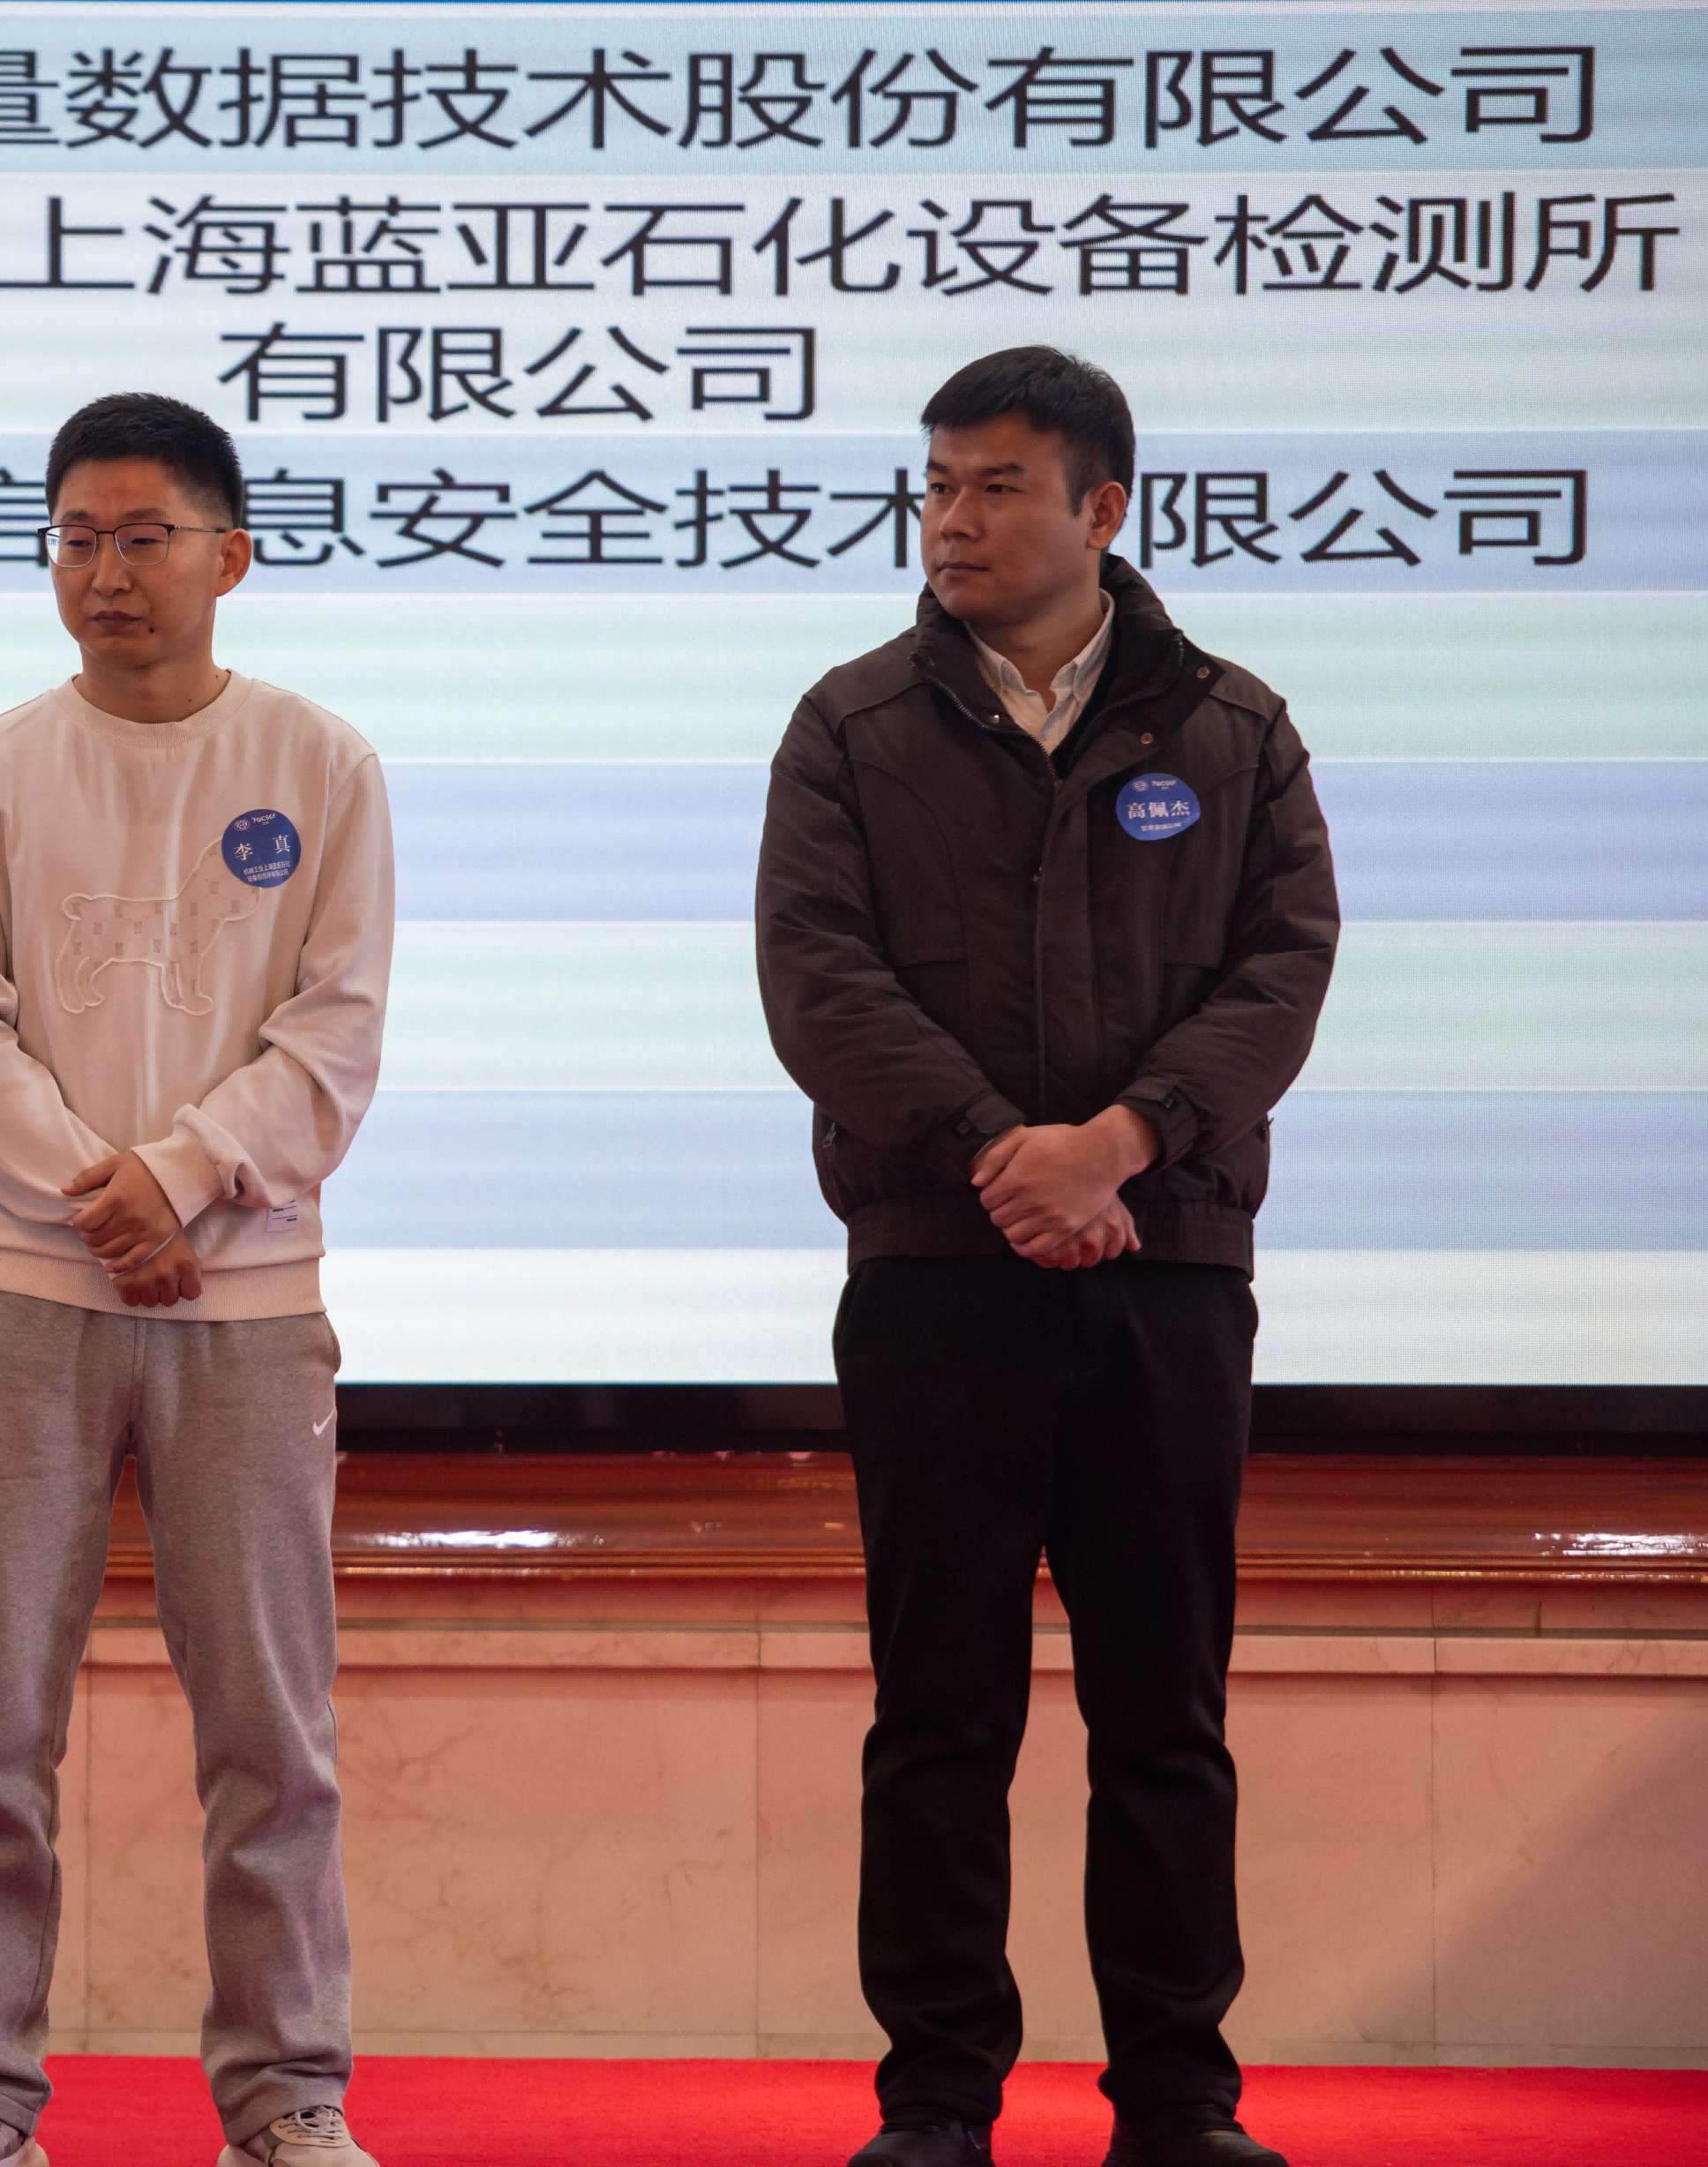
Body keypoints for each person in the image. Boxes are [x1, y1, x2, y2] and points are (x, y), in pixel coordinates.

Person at [757, 348, 1338, 2167]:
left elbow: (1283, 969)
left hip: (1168, 1270)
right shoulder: (851, 726)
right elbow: (817, 978)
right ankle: (936, 2102)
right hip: (938, 1271)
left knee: (1164, 1711)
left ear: (1101, 508)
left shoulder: (1231, 728)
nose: (950, 519)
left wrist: (1124, 1140)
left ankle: (1177, 2101)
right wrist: (999, 1154)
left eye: (995, 485)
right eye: (936, 484)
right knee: (940, 1712)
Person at [0, 393, 397, 2167]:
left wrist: (173, 1180)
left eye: (144, 537)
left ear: (228, 555)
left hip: (245, 1308)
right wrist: (96, 1200)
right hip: (17, 1298)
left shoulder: (321, 765)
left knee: (271, 1732)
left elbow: (333, 1039)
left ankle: (288, 2095)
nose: (106, 572)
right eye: (77, 540)